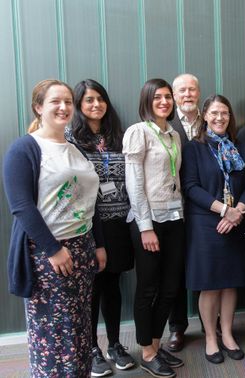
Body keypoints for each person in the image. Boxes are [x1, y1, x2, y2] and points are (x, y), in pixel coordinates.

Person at [3, 79, 106, 377]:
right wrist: (54, 249)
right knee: (54, 334)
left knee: (79, 328)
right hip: (48, 254)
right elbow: (22, 206)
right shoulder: (25, 149)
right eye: (55, 102)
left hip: (82, 249)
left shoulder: (75, 149)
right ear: (38, 107)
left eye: (68, 102)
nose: (64, 107)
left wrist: (97, 244)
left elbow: (90, 201)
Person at [182, 94, 245, 364]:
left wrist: (239, 210)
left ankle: (227, 333)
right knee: (211, 284)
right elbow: (191, 187)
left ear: (230, 116)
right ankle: (211, 338)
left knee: (230, 282)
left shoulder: (241, 146)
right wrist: (224, 210)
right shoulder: (194, 148)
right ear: (205, 116)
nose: (219, 118)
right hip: (206, 223)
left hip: (237, 221)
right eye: (214, 113)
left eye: (224, 113)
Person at [67, 79, 136, 376]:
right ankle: (92, 348)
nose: (96, 105)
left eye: (100, 99)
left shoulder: (119, 136)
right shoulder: (71, 140)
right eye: (89, 100)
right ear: (79, 106)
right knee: (92, 288)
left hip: (120, 223)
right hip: (91, 227)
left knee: (114, 286)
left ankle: (115, 344)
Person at [123, 78, 185, 378]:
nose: (164, 101)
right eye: (157, 97)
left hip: (174, 219)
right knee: (147, 288)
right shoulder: (138, 132)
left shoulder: (173, 134)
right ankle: (146, 351)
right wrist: (145, 227)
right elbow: (134, 184)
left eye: (168, 97)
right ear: (147, 100)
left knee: (171, 287)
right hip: (148, 223)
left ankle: (156, 344)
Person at [166, 73, 204, 353]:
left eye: (192, 89)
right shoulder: (164, 124)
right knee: (174, 269)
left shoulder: (213, 118)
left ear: (199, 92)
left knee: (205, 264)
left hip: (205, 206)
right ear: (174, 95)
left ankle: (209, 322)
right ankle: (177, 327)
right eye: (182, 90)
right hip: (173, 208)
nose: (187, 94)